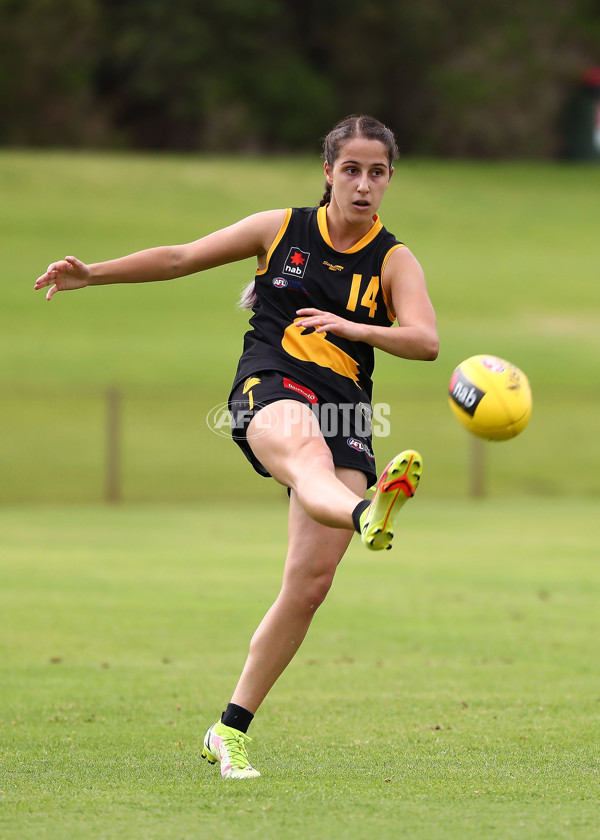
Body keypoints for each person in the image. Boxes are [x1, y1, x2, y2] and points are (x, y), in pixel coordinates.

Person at [35, 115, 438, 780]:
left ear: (390, 178)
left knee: (308, 585)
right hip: (270, 386)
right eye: (351, 170)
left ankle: (229, 729)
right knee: (306, 455)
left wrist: (353, 329)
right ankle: (367, 514)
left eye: (376, 172)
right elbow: (179, 258)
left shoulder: (394, 259)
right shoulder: (279, 230)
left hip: (347, 408)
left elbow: (426, 340)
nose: (363, 184)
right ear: (328, 173)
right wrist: (92, 274)